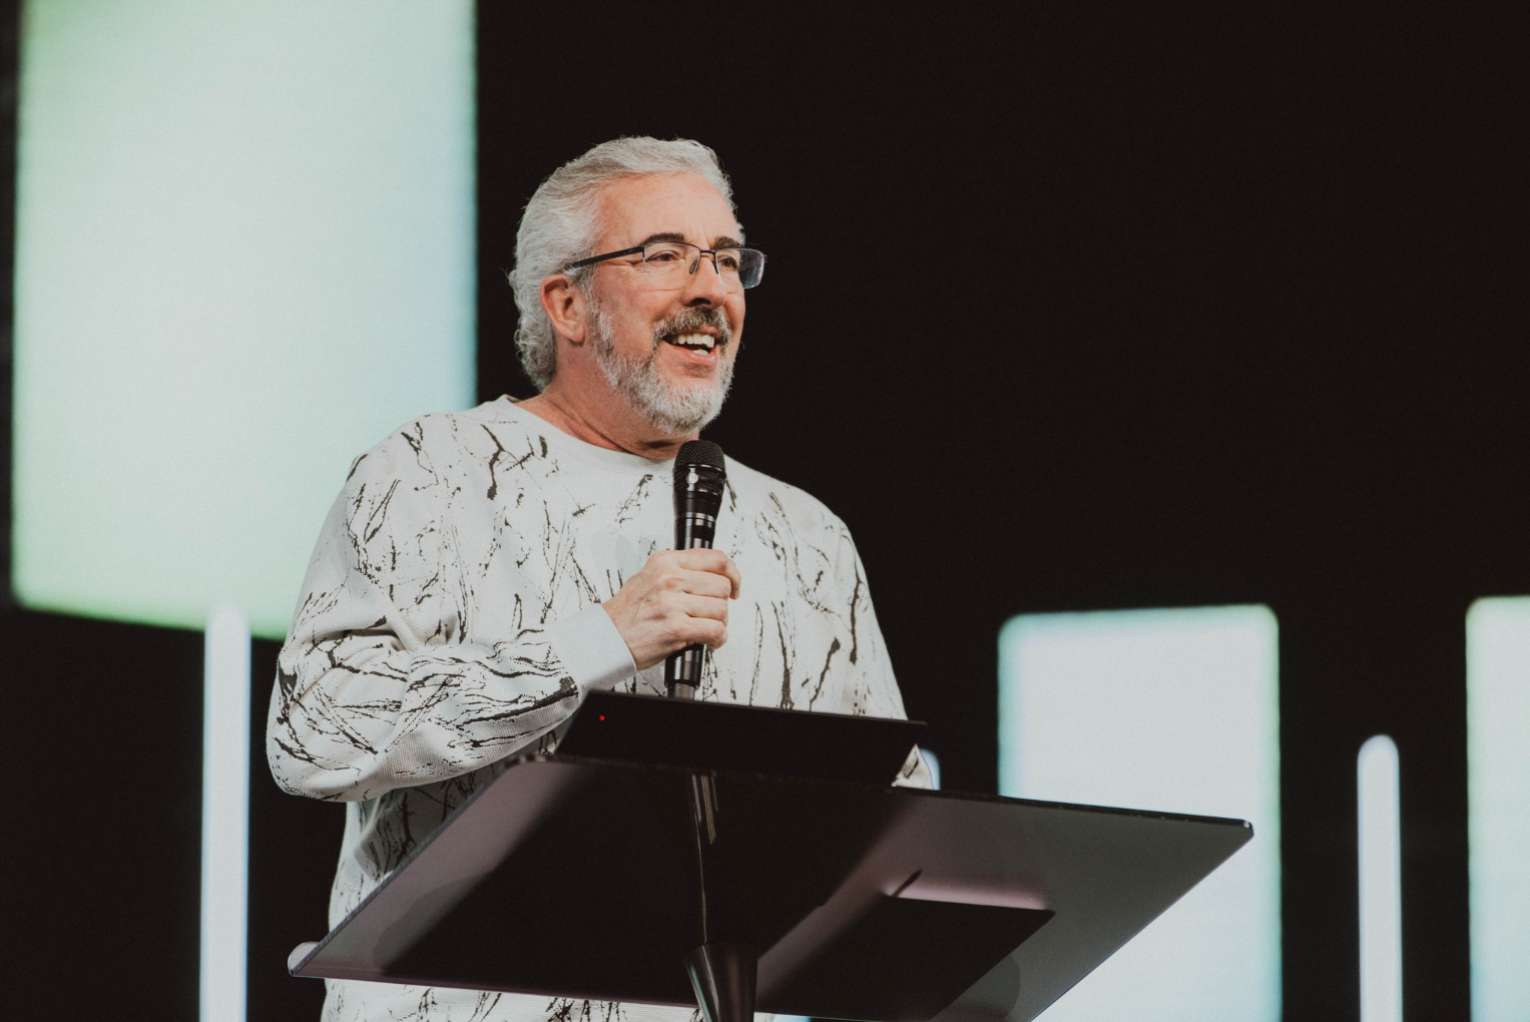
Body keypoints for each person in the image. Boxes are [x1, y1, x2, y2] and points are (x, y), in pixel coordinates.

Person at [266, 136, 930, 1022]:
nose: (710, 288)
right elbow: (312, 733)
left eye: (726, 259)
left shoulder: (807, 536)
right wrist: (598, 641)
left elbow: (890, 814)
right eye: (664, 255)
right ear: (567, 304)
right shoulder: (429, 473)